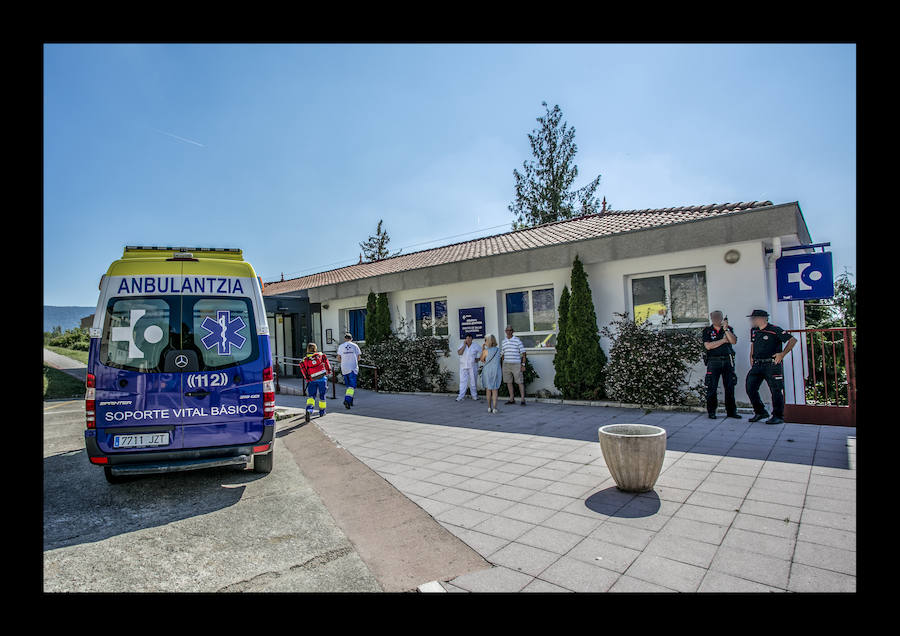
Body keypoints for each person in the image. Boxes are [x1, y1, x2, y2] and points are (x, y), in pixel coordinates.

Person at [745, 309, 798, 425]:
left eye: (754, 318)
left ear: (762, 318)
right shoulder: (754, 331)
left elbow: (793, 340)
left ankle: (778, 416)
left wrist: (782, 354)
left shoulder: (774, 329)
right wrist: (751, 357)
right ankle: (760, 412)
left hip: (771, 365)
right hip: (757, 364)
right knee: (750, 387)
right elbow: (753, 344)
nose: (752, 320)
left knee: (776, 390)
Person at [702, 310, 741, 420]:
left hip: (727, 361)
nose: (717, 319)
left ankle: (731, 412)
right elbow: (708, 346)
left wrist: (726, 330)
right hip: (713, 361)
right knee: (712, 387)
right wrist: (723, 341)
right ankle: (712, 412)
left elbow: (733, 341)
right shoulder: (707, 331)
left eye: (719, 317)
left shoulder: (728, 329)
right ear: (711, 318)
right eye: (714, 317)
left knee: (729, 387)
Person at [299, 342, 331, 419]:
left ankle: (309, 410)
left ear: (307, 349)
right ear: (315, 349)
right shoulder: (320, 355)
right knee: (322, 396)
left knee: (311, 396)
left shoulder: (305, 360)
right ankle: (322, 412)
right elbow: (327, 364)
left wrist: (307, 379)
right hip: (322, 379)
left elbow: (304, 371)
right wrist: (328, 371)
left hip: (312, 380)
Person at [501, 325, 527, 406]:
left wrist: (523, 365)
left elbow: (524, 353)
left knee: (519, 382)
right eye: (507, 330)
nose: (509, 332)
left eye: (510, 330)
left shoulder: (517, 340)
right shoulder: (503, 341)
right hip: (506, 364)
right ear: (505, 331)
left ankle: (523, 399)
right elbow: (502, 353)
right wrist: (502, 362)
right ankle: (511, 399)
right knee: (508, 382)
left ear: (513, 331)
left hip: (516, 364)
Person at [336, 332, 361, 409]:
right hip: (352, 368)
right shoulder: (355, 346)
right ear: (351, 339)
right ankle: (347, 400)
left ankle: (350, 401)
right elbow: (359, 357)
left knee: (348, 386)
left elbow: (338, 358)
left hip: (344, 368)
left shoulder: (341, 346)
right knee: (352, 386)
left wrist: (344, 362)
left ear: (345, 339)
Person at [479, 334, 502, 413]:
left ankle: (489, 407)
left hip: (488, 371)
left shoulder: (486, 351)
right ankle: (495, 408)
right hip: (496, 371)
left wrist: (483, 349)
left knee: (488, 390)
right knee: (495, 390)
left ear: (488, 341)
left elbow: (481, 359)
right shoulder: (498, 350)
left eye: (485, 340)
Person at [456, 334, 479, 401]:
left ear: (472, 339)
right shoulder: (462, 345)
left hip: (472, 366)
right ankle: (460, 396)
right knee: (463, 382)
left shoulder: (476, 346)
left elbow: (482, 353)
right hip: (463, 366)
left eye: (470, 338)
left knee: (473, 381)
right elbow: (459, 353)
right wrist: (464, 345)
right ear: (465, 339)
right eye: (467, 338)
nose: (468, 340)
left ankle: (474, 396)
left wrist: (478, 359)